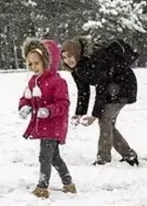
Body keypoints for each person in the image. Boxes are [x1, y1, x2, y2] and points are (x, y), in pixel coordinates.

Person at [60, 36, 139, 166]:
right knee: (107, 124)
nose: (68, 60)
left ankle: (103, 158)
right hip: (111, 88)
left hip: (123, 86)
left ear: (77, 53)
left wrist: (94, 115)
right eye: (64, 58)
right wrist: (79, 113)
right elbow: (83, 91)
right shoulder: (76, 68)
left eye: (70, 56)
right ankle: (129, 155)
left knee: (104, 120)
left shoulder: (96, 59)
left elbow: (101, 88)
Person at [18, 38, 76, 199]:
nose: (33, 67)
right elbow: (26, 97)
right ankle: (68, 183)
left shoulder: (58, 82)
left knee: (45, 156)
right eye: (30, 64)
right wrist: (24, 106)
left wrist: (49, 111)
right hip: (42, 124)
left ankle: (42, 186)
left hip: (54, 124)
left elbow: (63, 104)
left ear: (47, 62)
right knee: (54, 157)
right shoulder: (33, 81)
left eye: (37, 63)